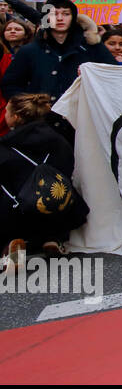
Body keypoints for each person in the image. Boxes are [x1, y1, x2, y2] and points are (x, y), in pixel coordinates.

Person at [0, 93, 81, 265]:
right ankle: (53, 239)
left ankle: (11, 247)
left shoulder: (6, 146)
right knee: (52, 194)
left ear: (15, 117)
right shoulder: (56, 138)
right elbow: (68, 166)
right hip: (60, 206)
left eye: (6, 111)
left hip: (22, 212)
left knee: (9, 198)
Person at [1, 0, 118, 102]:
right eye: (54, 14)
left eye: (66, 14)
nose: (60, 18)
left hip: (81, 119)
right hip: (40, 121)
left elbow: (115, 77)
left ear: (73, 17)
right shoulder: (30, 50)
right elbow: (11, 85)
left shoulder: (92, 48)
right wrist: (28, 106)